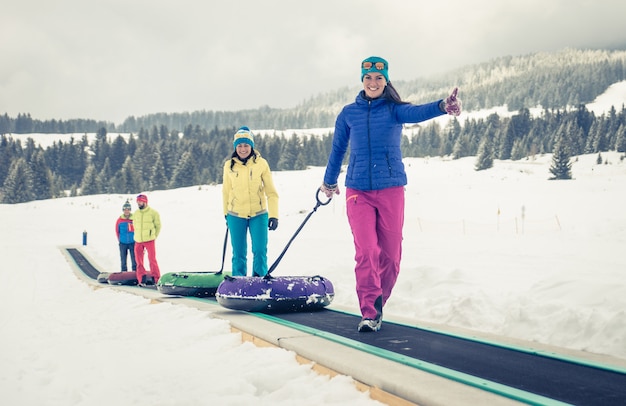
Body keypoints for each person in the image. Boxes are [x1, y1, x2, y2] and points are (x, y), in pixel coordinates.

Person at [320, 56, 462, 332]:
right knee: (367, 251)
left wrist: (443, 106)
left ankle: (378, 300)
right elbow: (338, 149)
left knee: (391, 256)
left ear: (386, 81)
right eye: (368, 78)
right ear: (362, 80)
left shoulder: (394, 110)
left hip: (390, 189)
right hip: (357, 190)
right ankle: (369, 311)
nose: (373, 83)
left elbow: (418, 112)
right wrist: (328, 181)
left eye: (379, 78)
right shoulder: (349, 113)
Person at [222, 126, 279, 277]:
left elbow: (271, 192)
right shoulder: (229, 166)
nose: (243, 149)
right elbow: (226, 191)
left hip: (258, 214)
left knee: (260, 251)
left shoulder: (261, 164)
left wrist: (274, 215)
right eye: (239, 145)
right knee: (239, 253)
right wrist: (225, 213)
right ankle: (238, 283)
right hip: (235, 215)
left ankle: (259, 282)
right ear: (235, 147)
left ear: (252, 146)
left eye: (246, 145)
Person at [132, 193, 162, 285]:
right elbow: (134, 225)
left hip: (149, 240)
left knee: (152, 259)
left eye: (140, 202)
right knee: (139, 261)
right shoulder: (136, 213)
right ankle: (141, 279)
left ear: (145, 202)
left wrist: (153, 236)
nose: (139, 203)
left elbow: (158, 226)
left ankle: (156, 278)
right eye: (138, 202)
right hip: (138, 240)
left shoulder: (153, 213)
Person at [115, 200, 137, 272]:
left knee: (134, 258)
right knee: (123, 259)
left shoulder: (134, 219)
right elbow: (117, 231)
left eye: (128, 210)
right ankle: (124, 272)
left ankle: (135, 271)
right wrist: (120, 240)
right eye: (125, 210)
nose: (126, 211)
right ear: (123, 210)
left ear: (130, 210)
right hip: (123, 243)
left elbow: (137, 229)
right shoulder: (120, 220)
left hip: (132, 242)